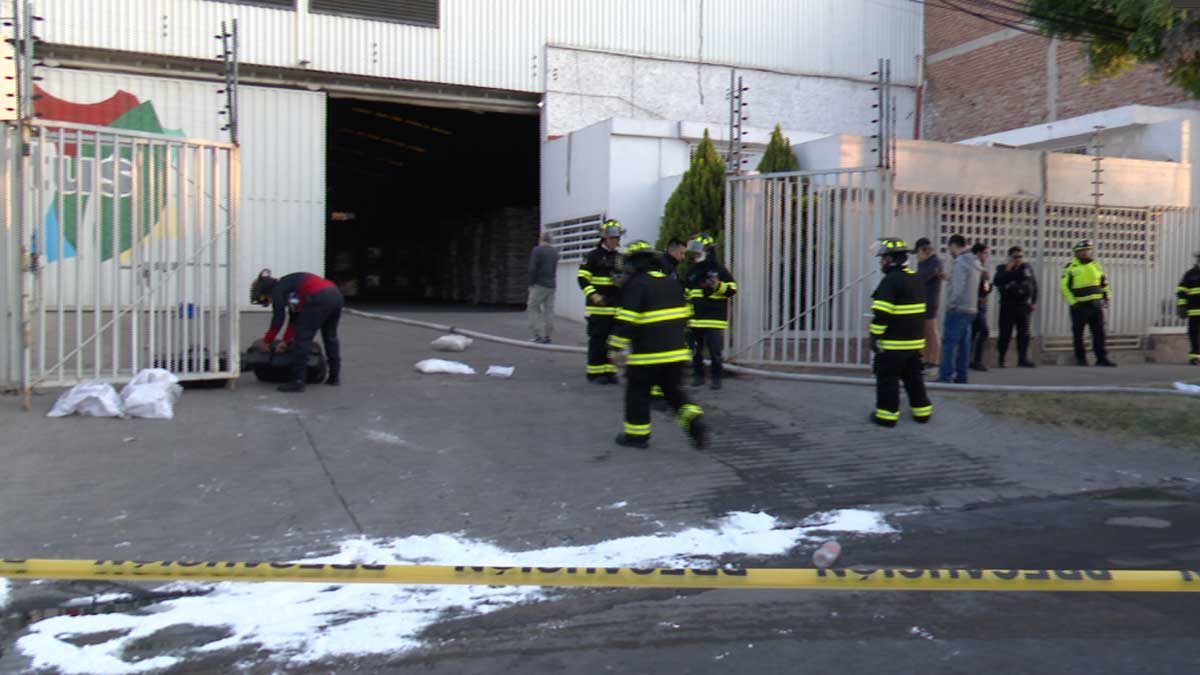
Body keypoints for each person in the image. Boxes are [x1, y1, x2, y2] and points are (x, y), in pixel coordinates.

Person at [607, 241, 707, 449]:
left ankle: (637, 436)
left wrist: (614, 347)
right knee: (673, 392)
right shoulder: (671, 282)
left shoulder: (635, 284)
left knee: (637, 393)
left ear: (633, 263)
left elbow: (627, 320)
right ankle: (694, 421)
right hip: (676, 353)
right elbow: (687, 314)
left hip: (647, 355)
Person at [868, 238, 932, 427]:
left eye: (882, 258)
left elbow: (882, 313)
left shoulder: (890, 281)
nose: (881, 262)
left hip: (893, 344)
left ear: (890, 259)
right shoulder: (915, 278)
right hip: (914, 343)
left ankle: (886, 416)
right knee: (914, 378)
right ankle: (922, 412)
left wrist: (874, 336)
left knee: (888, 379)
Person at [250, 268, 344, 393]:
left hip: (318, 296)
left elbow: (278, 319)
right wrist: (285, 341)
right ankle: (334, 376)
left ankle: (298, 381)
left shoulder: (277, 290)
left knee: (302, 340)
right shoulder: (288, 286)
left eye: (267, 298)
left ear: (266, 291)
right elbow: (294, 318)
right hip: (335, 294)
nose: (270, 301)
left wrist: (267, 341)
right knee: (330, 337)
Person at [684, 233, 737, 390]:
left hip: (714, 319)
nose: (695, 254)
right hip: (695, 319)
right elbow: (686, 293)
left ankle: (716, 378)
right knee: (696, 351)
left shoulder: (719, 270)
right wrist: (687, 315)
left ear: (707, 250)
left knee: (715, 352)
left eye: (698, 250)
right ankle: (698, 376)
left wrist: (718, 286)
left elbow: (732, 289)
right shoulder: (692, 271)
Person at [578, 220, 624, 384]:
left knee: (613, 343)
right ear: (605, 238)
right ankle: (595, 373)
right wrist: (593, 295)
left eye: (617, 238)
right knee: (598, 341)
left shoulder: (620, 258)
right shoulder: (592, 256)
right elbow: (582, 278)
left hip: (615, 308)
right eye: (613, 238)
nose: (616, 241)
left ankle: (610, 372)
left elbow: (623, 279)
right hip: (598, 309)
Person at [1061, 240, 1116, 367]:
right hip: (1079, 307)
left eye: (1087, 250)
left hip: (1096, 306)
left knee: (1099, 333)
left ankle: (1101, 358)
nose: (1085, 253)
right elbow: (1064, 287)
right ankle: (1081, 359)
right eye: (1082, 251)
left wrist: (1107, 296)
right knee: (1078, 334)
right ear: (1076, 253)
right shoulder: (1071, 267)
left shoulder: (1096, 265)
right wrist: (1073, 303)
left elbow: (1104, 283)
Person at [937, 234, 981, 384]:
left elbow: (958, 288)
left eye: (950, 247)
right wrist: (950, 277)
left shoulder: (960, 262)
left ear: (954, 245)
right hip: (970, 309)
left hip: (958, 309)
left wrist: (952, 303)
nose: (950, 251)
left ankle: (945, 376)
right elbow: (966, 281)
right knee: (964, 345)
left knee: (949, 344)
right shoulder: (974, 261)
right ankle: (962, 376)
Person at [994, 245, 1038, 368]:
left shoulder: (1026, 268)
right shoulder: (1003, 268)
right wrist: (1008, 270)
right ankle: (1001, 359)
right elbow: (997, 282)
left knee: (1024, 334)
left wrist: (1033, 302)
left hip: (1023, 305)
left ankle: (1022, 359)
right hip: (1008, 305)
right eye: (1015, 257)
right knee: (1005, 333)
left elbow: (1033, 285)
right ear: (1010, 257)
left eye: (1020, 256)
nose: (1018, 259)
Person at [914, 238, 946, 372]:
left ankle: (934, 361)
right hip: (921, 300)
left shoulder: (935, 262)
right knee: (923, 332)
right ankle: (925, 360)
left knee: (931, 331)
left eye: (918, 252)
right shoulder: (923, 262)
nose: (917, 255)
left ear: (924, 250)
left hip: (931, 300)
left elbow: (923, 277)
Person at [527, 233, 559, 344]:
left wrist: (531, 283)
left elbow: (532, 268)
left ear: (541, 239)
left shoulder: (537, 250)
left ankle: (537, 335)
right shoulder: (555, 252)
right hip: (552, 285)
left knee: (533, 307)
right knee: (549, 311)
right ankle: (548, 336)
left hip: (539, 284)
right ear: (550, 240)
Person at [969, 243, 992, 372]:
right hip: (975, 304)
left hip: (981, 304)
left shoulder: (983, 269)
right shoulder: (974, 267)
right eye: (984, 253)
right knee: (983, 331)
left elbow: (986, 289)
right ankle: (976, 360)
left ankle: (969, 360)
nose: (986, 256)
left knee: (973, 333)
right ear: (978, 253)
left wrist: (988, 282)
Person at [1176, 251, 1200, 365]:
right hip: (1194, 311)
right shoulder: (1190, 274)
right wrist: (1182, 306)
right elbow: (1182, 291)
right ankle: (1194, 357)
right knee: (1194, 334)